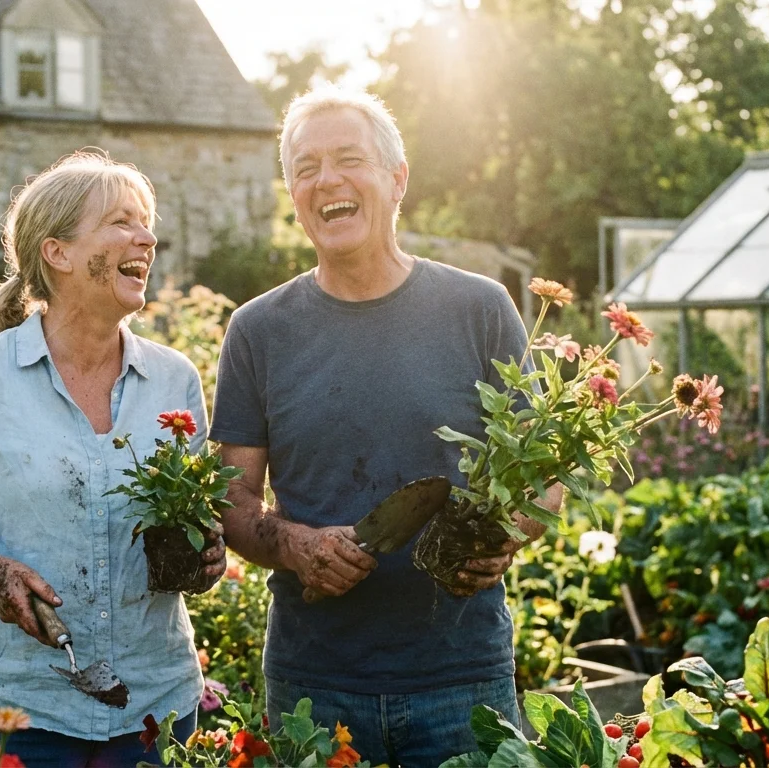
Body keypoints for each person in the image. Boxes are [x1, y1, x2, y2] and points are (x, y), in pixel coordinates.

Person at [210, 86, 560, 765]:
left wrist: (507, 536)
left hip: (461, 676)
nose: (326, 181)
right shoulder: (258, 331)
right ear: (292, 192)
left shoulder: (479, 309)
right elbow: (234, 501)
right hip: (315, 682)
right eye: (305, 168)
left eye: (348, 159)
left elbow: (543, 481)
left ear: (397, 180)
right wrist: (298, 546)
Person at [0, 151, 223, 766]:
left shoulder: (172, 380)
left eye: (147, 222)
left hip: (155, 707)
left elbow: (190, 520)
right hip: (18, 706)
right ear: (58, 252)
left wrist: (204, 552)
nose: (147, 237)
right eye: (123, 221)